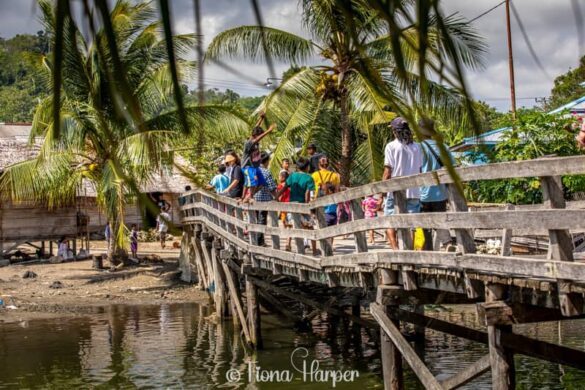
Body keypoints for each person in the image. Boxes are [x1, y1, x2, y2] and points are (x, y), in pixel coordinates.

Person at [382, 117, 423, 250]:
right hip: (414, 190)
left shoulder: (391, 146)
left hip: (394, 192)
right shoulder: (417, 147)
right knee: (411, 222)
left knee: (389, 221)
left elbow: (388, 172)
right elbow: (420, 169)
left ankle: (395, 249)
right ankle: (409, 249)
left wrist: (381, 192)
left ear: (395, 131)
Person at [419, 119, 455, 251]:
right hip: (440, 192)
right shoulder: (443, 147)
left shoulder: (418, 148)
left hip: (422, 192)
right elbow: (452, 166)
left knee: (425, 223)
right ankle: (447, 243)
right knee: (440, 220)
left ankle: (428, 250)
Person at [276, 157, 319, 255]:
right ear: (307, 167)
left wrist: (276, 197)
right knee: (310, 227)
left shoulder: (292, 176)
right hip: (303, 206)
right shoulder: (309, 178)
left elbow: (284, 188)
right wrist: (310, 206)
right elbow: (309, 193)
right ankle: (315, 250)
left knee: (291, 226)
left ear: (297, 167)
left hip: (292, 206)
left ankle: (288, 245)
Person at [241, 113, 276, 202]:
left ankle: (247, 197)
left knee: (262, 183)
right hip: (247, 166)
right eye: (259, 135)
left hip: (255, 166)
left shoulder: (254, 138)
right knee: (252, 181)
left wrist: (261, 119)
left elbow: (255, 129)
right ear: (256, 135)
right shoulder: (249, 142)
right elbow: (257, 138)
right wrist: (268, 131)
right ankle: (249, 197)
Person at [253, 152, 278, 246]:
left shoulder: (254, 170)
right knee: (262, 221)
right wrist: (276, 198)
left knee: (255, 220)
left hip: (254, 199)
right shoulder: (266, 172)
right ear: (267, 161)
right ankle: (259, 242)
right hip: (264, 200)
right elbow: (272, 187)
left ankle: (256, 240)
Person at [277, 170, 293, 251]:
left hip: (284, 207)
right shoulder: (290, 186)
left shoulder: (280, 186)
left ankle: (288, 243)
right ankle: (288, 241)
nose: (278, 178)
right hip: (289, 207)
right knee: (288, 225)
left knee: (287, 225)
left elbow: (279, 197)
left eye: (279, 176)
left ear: (283, 177)